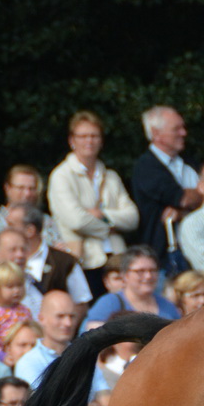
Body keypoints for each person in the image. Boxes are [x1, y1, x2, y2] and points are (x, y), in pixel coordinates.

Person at [47, 113, 139, 296]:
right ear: (72, 140)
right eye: (83, 136)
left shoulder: (111, 176)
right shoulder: (61, 176)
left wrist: (102, 214)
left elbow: (133, 218)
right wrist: (110, 227)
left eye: (94, 135)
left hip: (117, 259)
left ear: (101, 141)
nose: (89, 141)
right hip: (84, 261)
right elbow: (76, 221)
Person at [131, 106, 202, 256]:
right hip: (164, 257)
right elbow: (184, 199)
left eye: (183, 127)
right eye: (176, 129)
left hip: (198, 250)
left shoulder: (190, 162)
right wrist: (203, 195)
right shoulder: (146, 167)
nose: (184, 133)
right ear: (156, 133)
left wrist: (182, 213)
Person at [6, 204, 92, 318]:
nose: (5, 230)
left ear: (30, 231)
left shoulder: (64, 262)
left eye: (11, 225)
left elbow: (80, 304)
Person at [84, 245, 179, 324]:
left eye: (153, 270)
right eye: (140, 271)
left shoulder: (168, 307)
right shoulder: (109, 303)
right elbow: (92, 339)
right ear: (125, 275)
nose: (148, 276)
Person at [0, 165, 63, 254]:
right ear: (7, 188)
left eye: (32, 189)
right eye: (21, 188)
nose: (27, 194)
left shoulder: (47, 221)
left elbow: (59, 249)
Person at [15, 290, 79, 389]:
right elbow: (43, 403)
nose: (68, 323)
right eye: (60, 316)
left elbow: (104, 397)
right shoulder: (29, 362)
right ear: (41, 319)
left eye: (72, 316)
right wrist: (92, 404)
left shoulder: (84, 356)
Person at [0, 264, 33, 363]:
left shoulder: (24, 310)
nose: (16, 290)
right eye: (10, 286)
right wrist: (2, 356)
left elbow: (32, 332)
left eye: (19, 285)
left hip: (22, 353)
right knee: (2, 372)